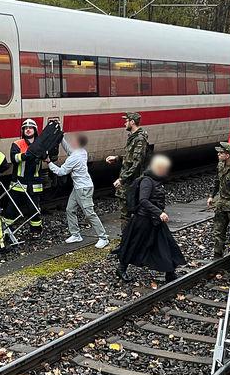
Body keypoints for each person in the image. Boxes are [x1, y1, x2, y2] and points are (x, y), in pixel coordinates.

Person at [116, 154, 186, 283]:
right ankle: (121, 268)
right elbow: (143, 200)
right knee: (134, 245)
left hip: (154, 220)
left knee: (166, 244)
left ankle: (170, 272)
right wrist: (159, 212)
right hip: (143, 220)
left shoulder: (156, 180)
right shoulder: (147, 181)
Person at [49, 133, 110, 248]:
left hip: (83, 189)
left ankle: (103, 237)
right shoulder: (81, 152)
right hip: (78, 188)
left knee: (89, 213)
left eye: (73, 140)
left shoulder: (75, 157)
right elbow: (69, 150)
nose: (71, 141)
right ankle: (76, 234)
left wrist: (49, 163)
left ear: (76, 143)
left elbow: (61, 172)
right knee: (70, 209)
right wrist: (61, 138)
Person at [106, 112, 149, 228]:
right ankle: (127, 241)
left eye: (126, 121)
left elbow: (137, 163)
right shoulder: (134, 138)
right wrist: (117, 158)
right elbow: (131, 158)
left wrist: (122, 179)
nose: (124, 123)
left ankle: (127, 242)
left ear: (132, 122)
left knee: (127, 214)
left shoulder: (139, 139)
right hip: (129, 181)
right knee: (126, 213)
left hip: (131, 182)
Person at [5, 118, 46, 233]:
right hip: (18, 183)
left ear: (35, 130)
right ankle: (7, 231)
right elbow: (14, 158)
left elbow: (47, 157)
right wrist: (26, 155)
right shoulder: (17, 144)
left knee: (34, 209)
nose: (28, 130)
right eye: (26, 128)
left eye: (30, 128)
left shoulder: (40, 145)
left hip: (34, 183)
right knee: (11, 209)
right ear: (22, 131)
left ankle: (36, 231)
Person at [207, 142, 230, 258]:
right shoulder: (220, 165)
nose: (218, 154)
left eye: (221, 153)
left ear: (227, 155)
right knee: (218, 230)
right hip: (221, 203)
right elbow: (217, 181)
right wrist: (212, 196)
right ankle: (217, 253)